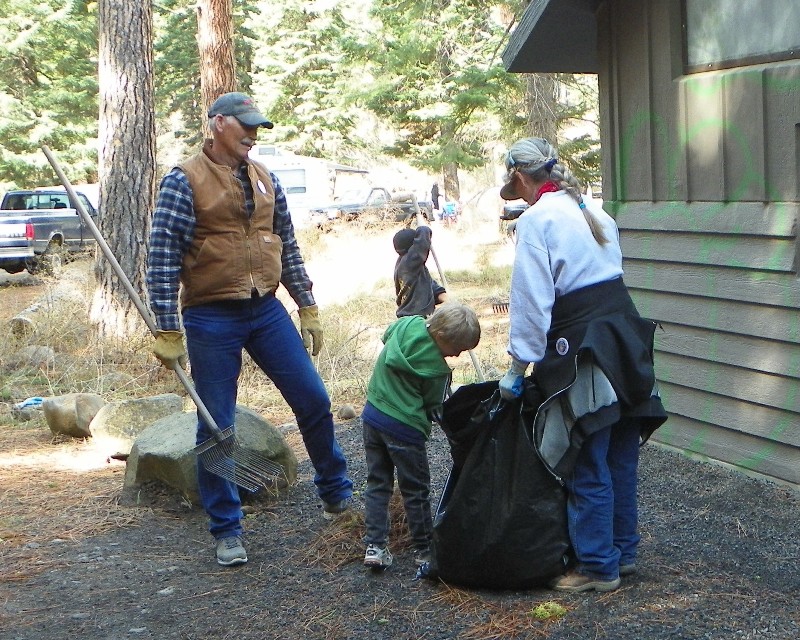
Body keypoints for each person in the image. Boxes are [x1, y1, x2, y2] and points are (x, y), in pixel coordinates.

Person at [146, 92, 353, 567]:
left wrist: (307, 304)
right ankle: (226, 528)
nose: (253, 135)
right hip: (210, 315)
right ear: (218, 125)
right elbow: (161, 259)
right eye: (245, 127)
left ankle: (336, 492)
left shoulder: (265, 179)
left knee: (314, 399)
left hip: (265, 310)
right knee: (217, 425)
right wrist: (166, 327)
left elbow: (288, 246)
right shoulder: (184, 180)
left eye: (257, 128)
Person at [497, 137, 667, 593]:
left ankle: (597, 567)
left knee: (586, 454)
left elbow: (533, 302)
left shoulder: (537, 221)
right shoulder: (593, 210)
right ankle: (622, 553)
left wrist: (518, 369)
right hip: (625, 340)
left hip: (586, 348)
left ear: (519, 177)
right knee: (619, 456)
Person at [361, 302, 481, 569]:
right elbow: (433, 405)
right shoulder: (437, 371)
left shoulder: (405, 325)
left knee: (378, 482)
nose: (458, 356)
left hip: (373, 415)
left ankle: (375, 546)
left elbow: (386, 334)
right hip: (406, 429)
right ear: (440, 338)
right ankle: (425, 548)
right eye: (457, 349)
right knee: (415, 489)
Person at [393, 225, 448, 318]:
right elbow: (422, 242)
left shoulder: (412, 266)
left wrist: (441, 294)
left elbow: (427, 285)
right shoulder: (409, 262)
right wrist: (423, 228)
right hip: (414, 317)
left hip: (415, 316)